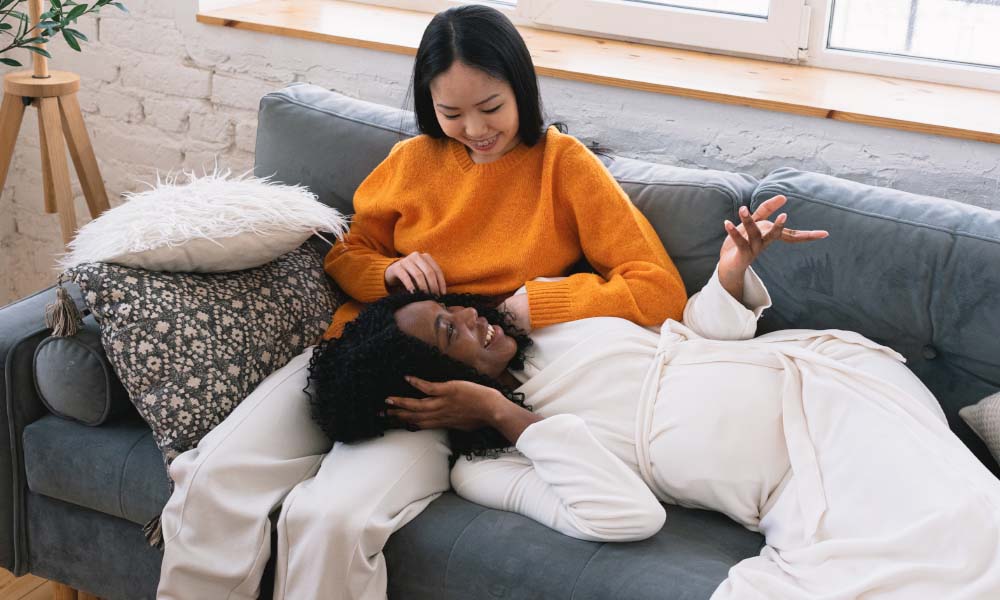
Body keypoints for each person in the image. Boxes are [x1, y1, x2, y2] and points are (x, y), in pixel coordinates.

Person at [157, 4, 704, 599]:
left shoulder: (563, 166)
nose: (475, 129)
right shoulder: (412, 162)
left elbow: (659, 288)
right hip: (352, 359)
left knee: (329, 519)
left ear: (521, 87)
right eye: (452, 113)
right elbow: (345, 254)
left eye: (491, 108)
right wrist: (389, 273)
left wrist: (540, 305)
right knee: (209, 479)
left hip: (445, 391)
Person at [308, 202, 1000, 599]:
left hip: (828, 393)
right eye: (446, 331)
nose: (468, 316)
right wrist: (506, 416)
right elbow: (627, 515)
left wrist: (730, 275)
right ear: (426, 381)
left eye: (451, 308)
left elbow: (688, 344)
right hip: (793, 485)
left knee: (969, 529)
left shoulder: (551, 324)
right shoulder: (488, 461)